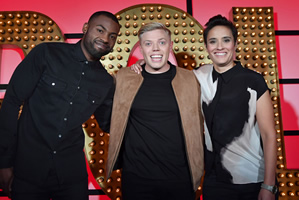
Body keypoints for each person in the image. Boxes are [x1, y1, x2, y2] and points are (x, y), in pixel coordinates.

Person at [0, 11, 120, 200]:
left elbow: (110, 124)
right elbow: (12, 102)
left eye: (112, 36)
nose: (105, 38)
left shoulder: (105, 82)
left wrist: (137, 83)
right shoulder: (46, 53)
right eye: (100, 30)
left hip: (71, 176)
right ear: (85, 28)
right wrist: (4, 163)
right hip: (28, 170)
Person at [106, 22, 204, 200]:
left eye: (161, 42)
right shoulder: (124, 78)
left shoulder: (190, 79)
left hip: (180, 177)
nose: (155, 49)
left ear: (170, 46)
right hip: (136, 179)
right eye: (148, 44)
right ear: (141, 49)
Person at [193, 15, 278, 200]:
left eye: (226, 40)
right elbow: (167, 72)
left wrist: (269, 186)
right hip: (214, 181)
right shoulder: (199, 76)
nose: (220, 46)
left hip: (251, 179)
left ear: (235, 44)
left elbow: (269, 135)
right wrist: (142, 64)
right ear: (206, 47)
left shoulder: (253, 80)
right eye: (213, 41)